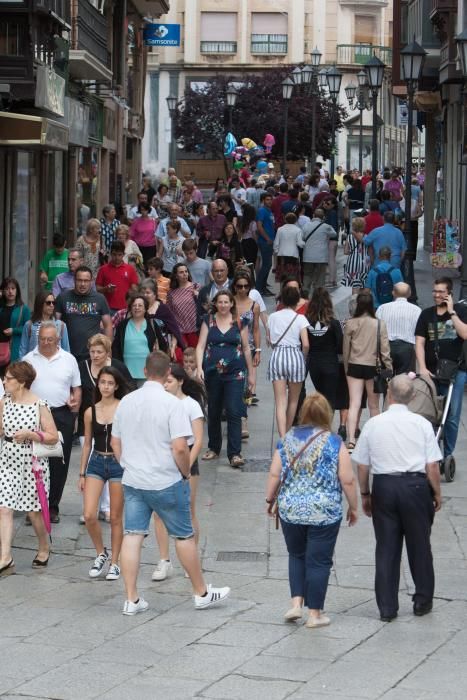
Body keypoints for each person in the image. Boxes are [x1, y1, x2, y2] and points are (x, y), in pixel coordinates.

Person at [111, 350, 230, 614]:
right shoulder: (172, 404)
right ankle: (201, 592)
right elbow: (179, 448)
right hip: (165, 479)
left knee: (133, 535)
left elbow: (115, 441)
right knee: (184, 535)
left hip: (133, 479)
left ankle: (131, 599)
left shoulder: (126, 402)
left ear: (144, 371)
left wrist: (125, 464)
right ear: (167, 374)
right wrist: (185, 472)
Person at [354, 375, 442, 621]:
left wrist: (365, 494)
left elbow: (362, 465)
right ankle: (422, 600)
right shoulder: (422, 424)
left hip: (384, 486)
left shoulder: (374, 424)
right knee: (420, 546)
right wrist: (436, 493)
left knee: (386, 548)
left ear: (389, 395)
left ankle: (387, 607)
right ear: (412, 397)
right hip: (414, 486)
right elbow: (432, 466)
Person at [266, 392, 358, 627]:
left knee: (296, 555)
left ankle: (296, 604)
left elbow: (275, 473)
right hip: (323, 511)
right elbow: (347, 479)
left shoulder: (287, 439)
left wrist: (269, 498)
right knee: (319, 561)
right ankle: (315, 614)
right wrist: (354, 506)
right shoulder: (334, 442)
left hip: (291, 509)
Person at [0, 361, 59, 576]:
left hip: (33, 466)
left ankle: (44, 546)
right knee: (4, 508)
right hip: (7, 462)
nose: (5, 381)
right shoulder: (4, 401)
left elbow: (52, 437)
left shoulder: (39, 404)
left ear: (22, 382)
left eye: (8, 378)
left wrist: (31, 434)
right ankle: (5, 557)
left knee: (34, 513)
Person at [152, 364, 206, 581]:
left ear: (181, 381)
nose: (165, 385)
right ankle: (164, 560)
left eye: (170, 381)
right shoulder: (160, 404)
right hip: (164, 458)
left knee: (187, 510)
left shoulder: (191, 405)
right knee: (158, 512)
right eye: (164, 381)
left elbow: (198, 439)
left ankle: (190, 558)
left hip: (187, 458)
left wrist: (185, 468)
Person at [24, 322, 82, 523]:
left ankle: (52, 506)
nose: (45, 343)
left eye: (50, 339)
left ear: (57, 340)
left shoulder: (69, 359)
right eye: (42, 339)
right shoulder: (28, 359)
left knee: (59, 461)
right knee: (34, 461)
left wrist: (75, 407)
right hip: (34, 415)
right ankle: (34, 506)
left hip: (61, 414)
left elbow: (77, 388)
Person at [79, 366, 129, 581]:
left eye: (110, 383)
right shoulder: (90, 410)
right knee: (90, 514)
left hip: (118, 463)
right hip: (97, 461)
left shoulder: (123, 408)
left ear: (116, 385)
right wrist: (81, 473)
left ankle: (115, 562)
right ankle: (101, 553)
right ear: (97, 384)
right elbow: (86, 443)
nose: (106, 386)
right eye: (103, 382)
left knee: (116, 517)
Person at [196, 290, 254, 467]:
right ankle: (213, 447)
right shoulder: (208, 321)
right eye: (220, 302)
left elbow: (245, 348)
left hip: (235, 374)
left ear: (231, 304)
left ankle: (234, 453)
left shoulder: (240, 322)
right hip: (212, 373)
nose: (222, 305)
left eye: (226, 302)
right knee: (213, 410)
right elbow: (200, 346)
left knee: (234, 411)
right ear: (216, 304)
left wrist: (251, 374)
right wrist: (199, 368)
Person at [415, 277, 467, 459]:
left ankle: (447, 454)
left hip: (456, 371)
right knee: (430, 414)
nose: (437, 295)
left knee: (452, 414)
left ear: (449, 294)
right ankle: (431, 451)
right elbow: (419, 343)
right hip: (431, 371)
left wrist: (452, 312)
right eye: (435, 291)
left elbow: (465, 334)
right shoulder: (426, 314)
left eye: (441, 292)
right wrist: (421, 367)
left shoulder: (461, 310)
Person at [343, 292, 392, 452]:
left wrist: (346, 368)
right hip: (373, 366)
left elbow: (346, 349)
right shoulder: (379, 324)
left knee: (354, 403)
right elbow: (385, 350)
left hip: (354, 364)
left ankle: (351, 440)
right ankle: (376, 440)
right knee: (374, 405)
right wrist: (389, 368)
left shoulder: (350, 323)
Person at [268, 286, 310, 438]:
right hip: (295, 356)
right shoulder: (301, 318)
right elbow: (305, 344)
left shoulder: (273, 317)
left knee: (280, 401)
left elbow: (270, 340)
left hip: (278, 355)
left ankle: (282, 437)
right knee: (293, 400)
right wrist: (302, 359)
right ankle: (287, 432)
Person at [55, 266, 112, 363]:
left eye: (86, 281)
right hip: (67, 352)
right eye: (79, 280)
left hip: (92, 354)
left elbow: (108, 325)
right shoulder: (63, 297)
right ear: (74, 280)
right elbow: (55, 324)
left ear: (91, 281)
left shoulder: (100, 298)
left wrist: (108, 349)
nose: (82, 284)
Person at [112, 294, 167, 386]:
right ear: (130, 308)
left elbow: (163, 345)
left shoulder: (152, 324)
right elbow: (116, 348)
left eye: (140, 305)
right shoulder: (122, 325)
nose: (137, 308)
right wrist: (118, 368)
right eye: (134, 305)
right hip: (126, 374)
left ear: (145, 308)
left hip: (148, 373)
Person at [306, 288, 343, 411]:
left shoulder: (307, 322)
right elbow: (340, 345)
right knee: (330, 397)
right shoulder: (333, 323)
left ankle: (319, 421)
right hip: (330, 362)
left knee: (319, 394)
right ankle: (326, 425)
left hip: (314, 363)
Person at [376, 282, 421, 374]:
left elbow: (376, 329)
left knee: (386, 377)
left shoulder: (382, 308)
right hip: (407, 348)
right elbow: (419, 332)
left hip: (386, 347)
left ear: (393, 292)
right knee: (404, 380)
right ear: (409, 293)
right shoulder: (416, 310)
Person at [140, 278, 184, 362]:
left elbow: (174, 330)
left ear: (155, 294)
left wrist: (173, 347)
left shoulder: (163, 309)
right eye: (142, 293)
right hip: (143, 350)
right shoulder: (139, 309)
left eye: (148, 293)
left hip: (163, 351)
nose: (144, 295)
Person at [19, 291, 70, 358]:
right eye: (48, 303)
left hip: (55, 365)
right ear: (40, 304)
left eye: (53, 303)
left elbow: (66, 351)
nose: (52, 305)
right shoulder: (29, 325)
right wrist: (22, 367)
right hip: (34, 366)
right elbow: (23, 350)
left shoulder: (61, 325)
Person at [95, 240, 139, 314]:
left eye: (119, 255)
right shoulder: (103, 269)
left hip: (125, 308)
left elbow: (134, 289)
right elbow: (97, 288)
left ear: (124, 254)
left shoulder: (130, 269)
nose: (117, 257)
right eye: (114, 254)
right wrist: (106, 289)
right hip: (107, 307)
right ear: (110, 254)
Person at [301, 209, 335, 297]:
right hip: (321, 256)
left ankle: (305, 289)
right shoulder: (326, 226)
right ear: (323, 217)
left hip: (308, 255)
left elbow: (302, 237)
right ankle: (318, 293)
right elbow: (334, 234)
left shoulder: (306, 226)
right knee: (320, 276)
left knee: (307, 274)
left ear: (313, 215)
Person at [0, 277, 31, 374]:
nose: (10, 291)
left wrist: (14, 330)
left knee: (12, 377)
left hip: (14, 347)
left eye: (13, 288)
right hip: (0, 346)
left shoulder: (24, 309)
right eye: (7, 289)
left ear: (17, 291)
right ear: (3, 291)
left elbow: (28, 328)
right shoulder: (1, 307)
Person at [167, 263, 199, 350]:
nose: (185, 274)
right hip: (180, 331)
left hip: (195, 330)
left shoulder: (196, 287)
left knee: (196, 358)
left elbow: (204, 307)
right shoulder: (171, 293)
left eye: (186, 271)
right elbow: (170, 313)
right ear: (176, 276)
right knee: (182, 359)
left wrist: (198, 296)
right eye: (181, 272)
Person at [340, 217, 369, 293]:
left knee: (355, 286)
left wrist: (354, 252)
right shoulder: (366, 237)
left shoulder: (349, 237)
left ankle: (354, 303)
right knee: (363, 285)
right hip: (364, 262)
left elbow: (346, 251)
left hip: (352, 262)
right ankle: (362, 303)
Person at [273, 212, 304, 281]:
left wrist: (276, 251)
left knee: (282, 277)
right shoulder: (298, 230)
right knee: (293, 277)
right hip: (293, 255)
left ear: (285, 220)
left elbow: (276, 243)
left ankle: (281, 291)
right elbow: (300, 244)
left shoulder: (280, 229)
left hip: (281, 256)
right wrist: (304, 243)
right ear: (295, 220)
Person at [256, 193, 276, 296]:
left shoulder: (270, 211)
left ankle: (263, 287)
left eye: (271, 199)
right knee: (266, 265)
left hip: (271, 241)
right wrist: (267, 238)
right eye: (267, 199)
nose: (270, 201)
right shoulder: (261, 211)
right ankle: (259, 288)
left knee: (268, 265)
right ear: (263, 200)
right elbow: (259, 226)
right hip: (265, 242)